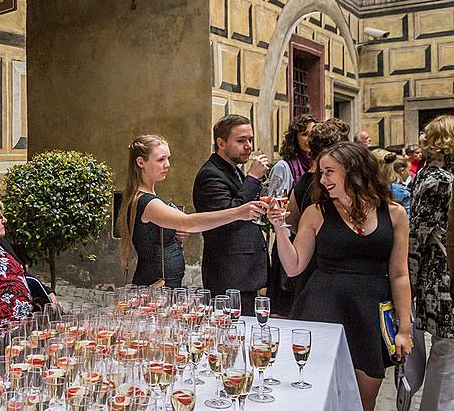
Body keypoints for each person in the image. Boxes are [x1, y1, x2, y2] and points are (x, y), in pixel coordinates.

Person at [269, 141, 412, 411]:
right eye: (320, 172)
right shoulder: (317, 212)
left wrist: (405, 328)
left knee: (365, 402)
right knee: (326, 403)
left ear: (353, 169)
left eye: (329, 171)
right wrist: (280, 229)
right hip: (322, 310)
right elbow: (296, 266)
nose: (322, 178)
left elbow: (399, 275)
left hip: (370, 313)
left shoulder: (394, 213)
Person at [121, 134, 265, 288]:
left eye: (168, 158)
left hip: (165, 286)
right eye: (160, 159)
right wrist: (238, 212)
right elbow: (188, 222)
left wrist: (174, 238)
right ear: (141, 162)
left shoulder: (149, 196)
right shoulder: (147, 202)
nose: (167, 164)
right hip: (153, 287)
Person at [405, 115, 454, 411]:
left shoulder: (430, 174)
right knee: (447, 348)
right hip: (441, 275)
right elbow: (421, 232)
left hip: (436, 272)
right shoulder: (439, 180)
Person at [192, 115, 270, 314]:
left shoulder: (233, 170)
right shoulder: (210, 175)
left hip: (245, 273)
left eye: (250, 140)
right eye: (241, 140)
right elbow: (228, 219)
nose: (248, 146)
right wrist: (252, 178)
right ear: (221, 143)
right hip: (229, 274)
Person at [0, 198, 56, 328]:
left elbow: (21, 274)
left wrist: (48, 291)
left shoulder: (1, 245)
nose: (4, 221)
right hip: (0, 330)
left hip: (30, 322)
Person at [266, 115, 317, 314]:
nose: (309, 139)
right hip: (290, 241)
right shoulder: (285, 167)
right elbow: (274, 205)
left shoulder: (321, 166)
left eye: (313, 134)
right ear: (294, 138)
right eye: (304, 134)